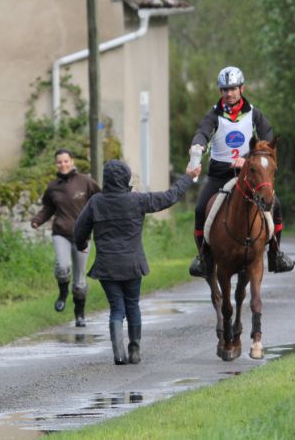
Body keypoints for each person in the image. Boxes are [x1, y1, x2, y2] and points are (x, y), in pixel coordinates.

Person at [74, 160, 201, 365]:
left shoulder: (96, 202)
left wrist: (81, 243)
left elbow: (80, 227)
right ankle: (134, 349)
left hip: (107, 265)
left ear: (105, 178)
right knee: (133, 305)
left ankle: (118, 353)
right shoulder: (137, 200)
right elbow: (170, 197)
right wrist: (188, 177)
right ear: (125, 178)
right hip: (133, 263)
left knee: (117, 308)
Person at [188, 66, 293, 278]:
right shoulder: (214, 115)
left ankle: (275, 253)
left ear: (241, 88)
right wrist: (198, 147)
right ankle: (203, 257)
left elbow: (267, 137)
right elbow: (202, 133)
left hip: (248, 174)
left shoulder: (254, 113)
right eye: (224, 89)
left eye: (233, 89)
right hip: (219, 175)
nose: (229, 93)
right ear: (220, 91)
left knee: (276, 205)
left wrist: (246, 159)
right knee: (200, 209)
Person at [31, 149, 101, 327]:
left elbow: (100, 200)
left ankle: (79, 314)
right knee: (62, 267)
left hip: (83, 236)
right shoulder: (53, 186)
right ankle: (62, 294)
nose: (63, 164)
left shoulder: (85, 182)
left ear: (72, 161)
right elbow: (48, 208)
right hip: (61, 233)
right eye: (59, 162)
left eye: (66, 161)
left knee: (79, 282)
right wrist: (38, 220)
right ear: (56, 164)